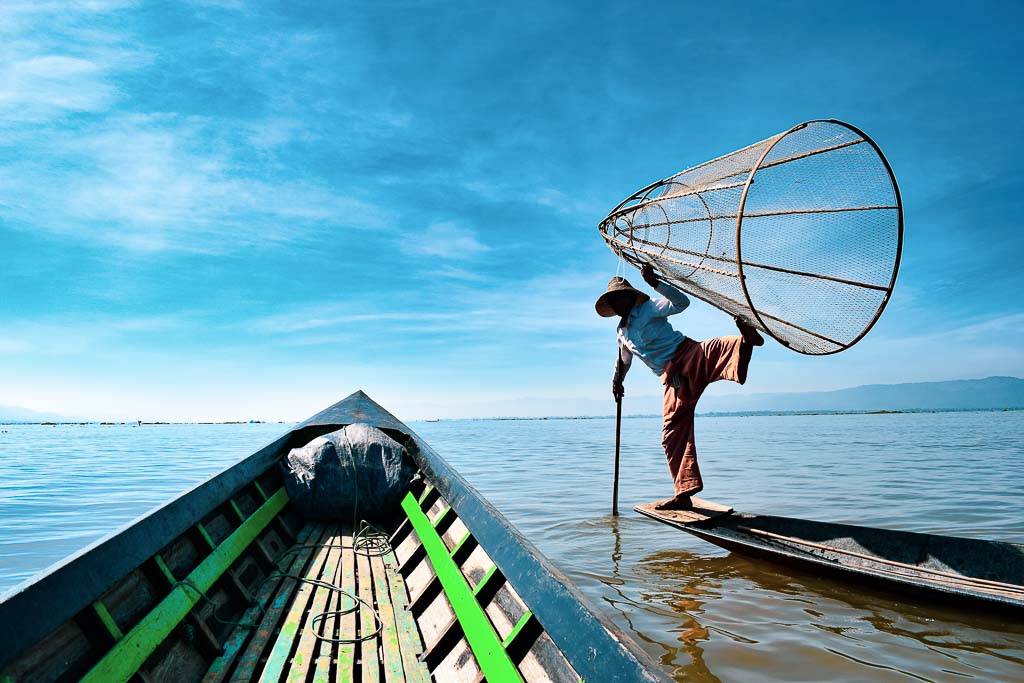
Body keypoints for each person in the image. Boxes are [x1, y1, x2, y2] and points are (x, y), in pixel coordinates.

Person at [595, 263, 764, 511]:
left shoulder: (648, 307)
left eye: (623, 297)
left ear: (630, 296)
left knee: (717, 348)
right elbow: (624, 359)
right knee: (670, 435)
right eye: (616, 300)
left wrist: (655, 283)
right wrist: (617, 380)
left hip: (687, 353)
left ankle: (746, 340)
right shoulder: (621, 332)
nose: (620, 303)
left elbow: (681, 303)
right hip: (671, 378)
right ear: (613, 305)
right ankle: (684, 493)